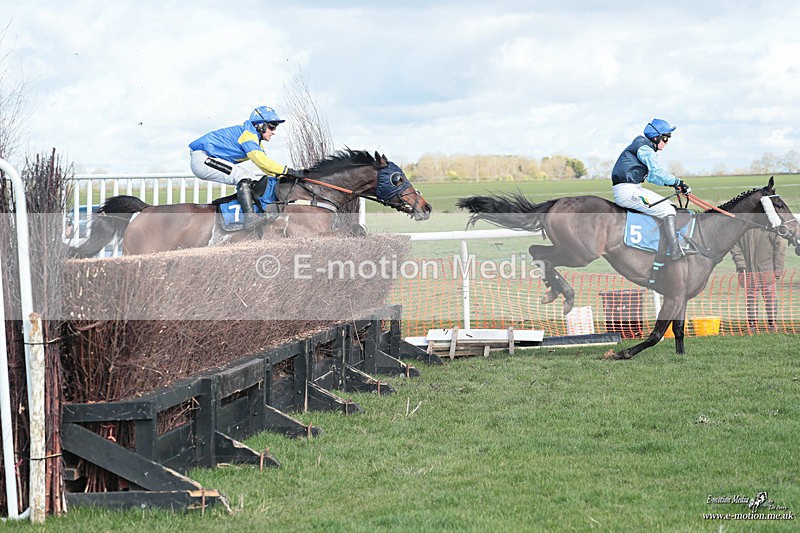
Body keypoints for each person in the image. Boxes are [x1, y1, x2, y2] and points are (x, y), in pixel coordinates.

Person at [188, 105, 306, 228]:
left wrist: (285, 176)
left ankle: (249, 212)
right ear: (260, 125)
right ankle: (249, 217)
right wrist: (288, 171)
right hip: (203, 159)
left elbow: (266, 167)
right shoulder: (248, 135)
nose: (274, 132)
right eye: (272, 126)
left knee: (251, 177)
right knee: (243, 176)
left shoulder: (254, 139)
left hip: (207, 158)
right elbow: (262, 162)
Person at [611, 118, 692, 260]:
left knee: (670, 206)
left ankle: (662, 244)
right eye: (665, 138)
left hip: (634, 188)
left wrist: (675, 184)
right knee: (667, 211)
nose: (667, 142)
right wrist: (677, 181)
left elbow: (653, 177)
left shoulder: (643, 146)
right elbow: (658, 172)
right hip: (627, 191)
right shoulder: (644, 148)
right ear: (656, 137)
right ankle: (675, 252)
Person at [730, 229, 786, 333]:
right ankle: (752, 325)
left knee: (770, 298)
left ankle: (772, 324)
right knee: (751, 299)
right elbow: (734, 246)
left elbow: (780, 246)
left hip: (767, 271)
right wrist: (741, 264)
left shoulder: (768, 227)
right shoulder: (741, 228)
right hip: (748, 272)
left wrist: (778, 270)